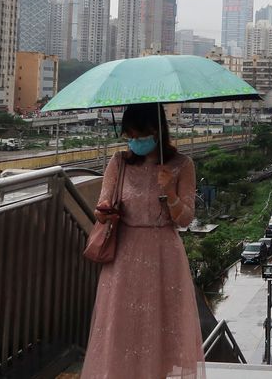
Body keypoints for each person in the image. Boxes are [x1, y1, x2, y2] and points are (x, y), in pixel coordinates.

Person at [81, 103, 204, 378]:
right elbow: (103, 202)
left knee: (160, 325)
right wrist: (103, 211)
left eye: (142, 134)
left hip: (164, 254)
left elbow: (185, 218)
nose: (136, 141)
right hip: (124, 254)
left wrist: (170, 191)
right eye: (131, 136)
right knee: (122, 326)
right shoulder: (118, 163)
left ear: (158, 131)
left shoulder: (182, 165)